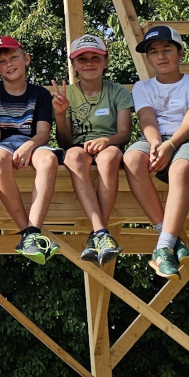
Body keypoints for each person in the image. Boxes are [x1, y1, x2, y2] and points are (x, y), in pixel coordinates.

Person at [123, 24, 189, 280]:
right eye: (153, 52)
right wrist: (155, 146)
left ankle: (162, 248)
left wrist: (170, 146)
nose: (160, 56)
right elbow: (147, 120)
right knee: (130, 158)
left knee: (181, 167)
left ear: (180, 53)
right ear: (148, 58)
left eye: (167, 49)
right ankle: (170, 237)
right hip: (155, 141)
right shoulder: (143, 86)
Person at [0, 35, 61, 263]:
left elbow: (43, 133)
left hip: (32, 143)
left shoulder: (40, 94)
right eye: (2, 62)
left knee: (49, 160)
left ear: (26, 59)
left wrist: (29, 146)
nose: (9, 64)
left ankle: (33, 231)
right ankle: (29, 233)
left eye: (13, 57)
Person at [53, 33, 134, 265]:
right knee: (74, 156)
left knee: (110, 157)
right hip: (78, 150)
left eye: (95, 58)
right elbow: (65, 141)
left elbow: (124, 133)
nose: (89, 63)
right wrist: (60, 114)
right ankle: (101, 233)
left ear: (106, 62)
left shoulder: (117, 91)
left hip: (109, 147)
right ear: (74, 65)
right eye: (82, 59)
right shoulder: (67, 93)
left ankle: (98, 232)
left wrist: (106, 141)